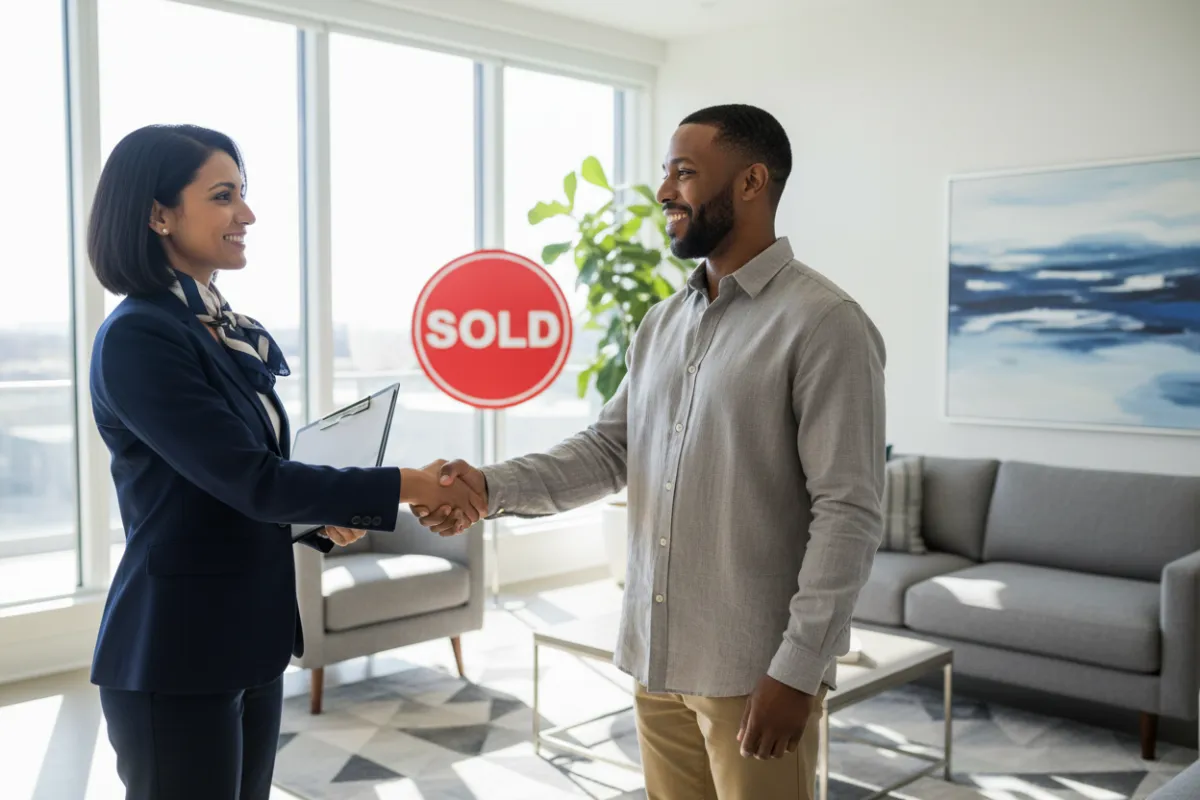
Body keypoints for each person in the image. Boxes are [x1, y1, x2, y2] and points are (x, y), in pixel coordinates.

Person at [416, 104, 886, 800]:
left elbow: (848, 511)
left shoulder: (825, 324)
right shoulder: (663, 322)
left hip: (752, 672)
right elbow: (610, 451)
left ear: (753, 181)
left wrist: (798, 668)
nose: (665, 191)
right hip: (655, 658)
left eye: (685, 172)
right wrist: (488, 486)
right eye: (666, 172)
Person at [86, 123, 486, 800]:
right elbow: (253, 480)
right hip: (178, 649)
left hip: (247, 635)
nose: (247, 214)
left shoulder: (212, 328)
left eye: (243, 193)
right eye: (223, 196)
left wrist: (314, 525)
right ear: (158, 214)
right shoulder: (140, 336)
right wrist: (413, 485)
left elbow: (221, 486)